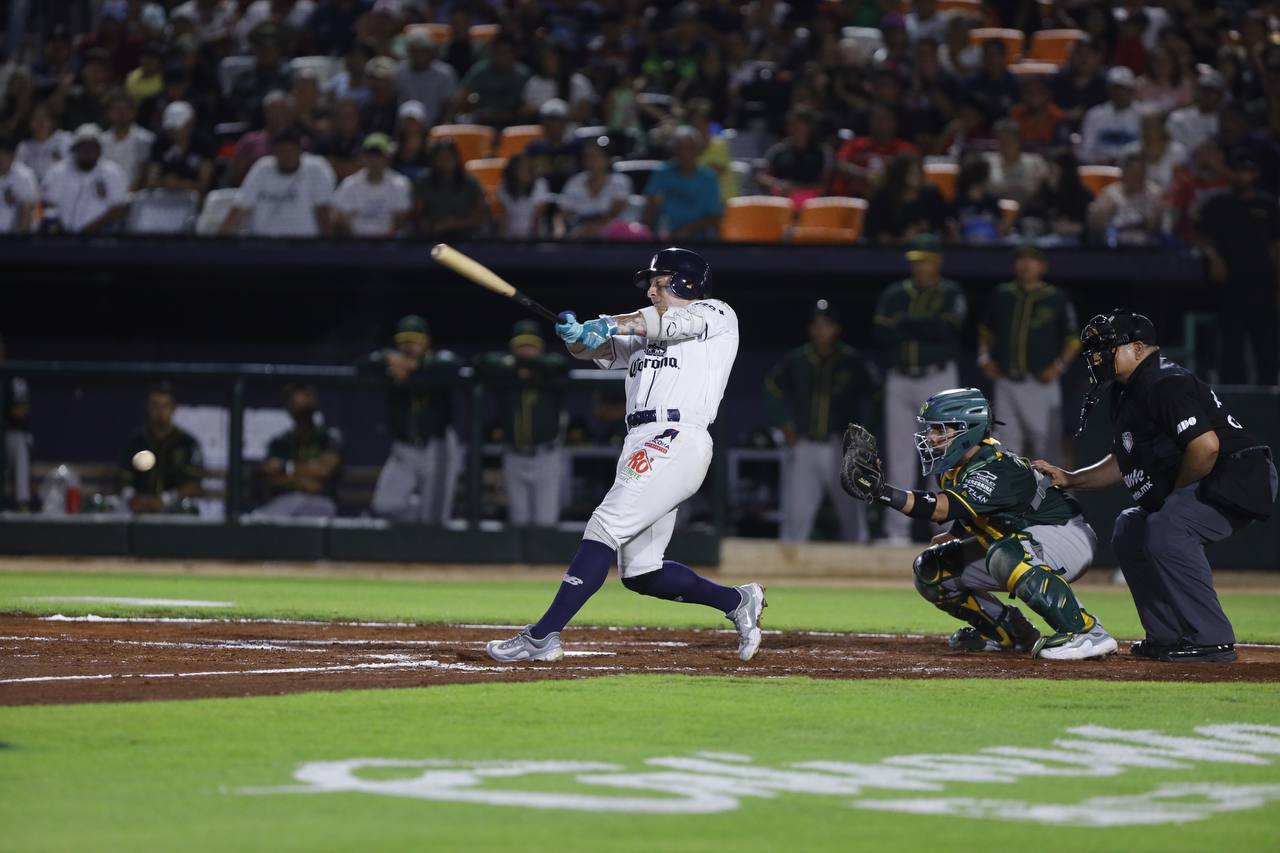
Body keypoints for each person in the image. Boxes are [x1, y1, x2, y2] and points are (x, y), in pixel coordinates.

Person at [486, 248, 766, 663]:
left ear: (687, 282)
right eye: (650, 283)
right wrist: (576, 336)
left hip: (676, 437)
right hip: (641, 439)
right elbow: (594, 350)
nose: (651, 290)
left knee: (603, 526)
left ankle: (542, 636)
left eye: (659, 282)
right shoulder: (645, 326)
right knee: (641, 573)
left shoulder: (716, 313)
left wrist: (606, 322)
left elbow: (663, 323)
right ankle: (736, 600)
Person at [1033, 311, 1277, 662]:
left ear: (1138, 348)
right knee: (1129, 527)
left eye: (1106, 348)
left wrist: (1175, 496)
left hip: (1241, 473)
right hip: (1216, 475)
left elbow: (1206, 447)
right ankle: (1167, 634)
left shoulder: (1164, 381)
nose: (1098, 357)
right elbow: (1124, 458)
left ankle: (1212, 640)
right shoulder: (1126, 390)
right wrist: (1072, 478)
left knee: (1167, 524)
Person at [839, 388, 1118, 660]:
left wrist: (882, 491)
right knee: (931, 569)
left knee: (1004, 555)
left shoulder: (995, 466)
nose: (931, 437)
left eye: (940, 429)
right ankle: (1009, 632)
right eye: (931, 429)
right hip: (1021, 537)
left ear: (968, 430)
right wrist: (956, 534)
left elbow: (941, 508)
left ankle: (1086, 631)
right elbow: (980, 511)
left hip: (1066, 535)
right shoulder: (956, 466)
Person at [872, 234, 966, 543]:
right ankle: (896, 532)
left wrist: (906, 324)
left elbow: (948, 329)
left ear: (937, 262)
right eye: (916, 260)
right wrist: (925, 325)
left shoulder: (950, 292)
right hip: (899, 379)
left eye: (926, 260)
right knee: (899, 456)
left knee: (942, 455)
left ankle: (944, 531)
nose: (921, 266)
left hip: (937, 379)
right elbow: (881, 333)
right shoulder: (895, 293)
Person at [765, 299, 879, 543]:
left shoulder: (852, 361)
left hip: (842, 447)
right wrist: (784, 423)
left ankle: (861, 562)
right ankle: (787, 565)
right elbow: (771, 389)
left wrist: (865, 436)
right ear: (810, 328)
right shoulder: (798, 359)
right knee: (796, 517)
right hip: (805, 445)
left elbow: (878, 396)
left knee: (853, 517)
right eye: (816, 325)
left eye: (826, 325)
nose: (821, 330)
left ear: (836, 328)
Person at [978, 245, 1080, 462]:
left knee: (1048, 446)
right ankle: (1008, 486)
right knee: (1004, 445)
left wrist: (1059, 365)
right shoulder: (1002, 294)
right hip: (1005, 381)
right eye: (1021, 259)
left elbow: (1073, 339)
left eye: (1031, 260)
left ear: (1042, 266)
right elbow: (986, 332)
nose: (1025, 265)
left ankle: (1054, 486)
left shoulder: (1055, 297)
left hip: (1039, 384)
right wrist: (984, 358)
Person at [361, 315, 463, 525]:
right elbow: (361, 365)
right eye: (404, 340)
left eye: (415, 340)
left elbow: (454, 365)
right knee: (384, 506)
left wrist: (414, 367)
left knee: (435, 519)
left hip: (437, 447)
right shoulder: (391, 364)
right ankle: (421, 513)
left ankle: (431, 529)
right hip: (404, 448)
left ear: (426, 342)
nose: (409, 346)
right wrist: (387, 359)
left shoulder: (438, 361)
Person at [474, 321, 570, 528]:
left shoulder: (550, 369)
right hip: (514, 455)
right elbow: (481, 364)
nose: (526, 351)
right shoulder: (505, 372)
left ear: (540, 348)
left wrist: (523, 366)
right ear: (513, 348)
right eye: (521, 346)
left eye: (531, 346)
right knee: (518, 521)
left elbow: (560, 364)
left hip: (546, 455)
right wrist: (516, 366)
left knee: (546, 522)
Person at [1197, 155, 1280, 385]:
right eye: (1237, 170)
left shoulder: (1268, 204)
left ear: (1255, 174)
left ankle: (1269, 395)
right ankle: (1233, 396)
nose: (1241, 176)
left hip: (1262, 283)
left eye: (1246, 171)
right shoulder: (1217, 203)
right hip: (1229, 283)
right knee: (1231, 344)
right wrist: (1214, 258)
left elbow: (1277, 245)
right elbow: (1201, 237)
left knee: (1266, 344)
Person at [221, 129, 335, 237]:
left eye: (291, 151)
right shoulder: (262, 168)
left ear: (300, 151)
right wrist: (220, 242)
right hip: (262, 244)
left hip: (305, 244)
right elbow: (240, 208)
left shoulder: (316, 168)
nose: (287, 157)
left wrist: (328, 245)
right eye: (282, 152)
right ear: (274, 152)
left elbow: (323, 212)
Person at [255, 384, 342, 518]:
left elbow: (324, 470)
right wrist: (302, 481)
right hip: (285, 501)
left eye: (306, 405)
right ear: (290, 409)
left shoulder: (328, 438)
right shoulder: (280, 442)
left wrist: (285, 468)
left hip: (320, 501)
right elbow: (270, 474)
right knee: (263, 517)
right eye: (296, 404)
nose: (302, 411)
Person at [117, 383, 205, 514]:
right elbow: (123, 478)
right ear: (148, 408)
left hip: (175, 508)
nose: (160, 412)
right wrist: (132, 498)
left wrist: (166, 499)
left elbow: (195, 486)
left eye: (165, 406)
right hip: (139, 509)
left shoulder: (187, 443)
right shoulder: (136, 442)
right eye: (155, 406)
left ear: (173, 409)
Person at [41, 124, 130, 235]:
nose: (88, 151)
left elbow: (120, 208)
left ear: (99, 150)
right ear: (75, 149)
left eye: (92, 147)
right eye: (83, 147)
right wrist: (58, 225)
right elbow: (48, 202)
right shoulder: (59, 171)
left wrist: (90, 229)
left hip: (101, 236)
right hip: (62, 235)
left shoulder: (112, 172)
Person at [642, 126, 723, 241]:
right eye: (679, 148)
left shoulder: (708, 177)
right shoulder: (662, 173)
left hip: (699, 242)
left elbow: (714, 217)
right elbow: (650, 206)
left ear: (697, 150)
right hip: (663, 239)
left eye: (689, 149)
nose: (684, 153)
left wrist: (687, 230)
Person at [332, 132, 413, 238]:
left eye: (378, 156)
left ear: (387, 158)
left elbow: (400, 217)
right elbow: (341, 216)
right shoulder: (350, 184)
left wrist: (386, 239)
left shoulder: (400, 184)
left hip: (390, 243)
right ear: (363, 158)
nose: (374, 160)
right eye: (370, 156)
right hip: (356, 243)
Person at [830, 105, 918, 198]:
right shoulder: (855, 144)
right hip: (852, 199)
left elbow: (913, 175)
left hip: (892, 200)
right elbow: (839, 165)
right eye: (875, 119)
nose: (878, 123)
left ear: (894, 122)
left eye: (883, 119)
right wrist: (865, 175)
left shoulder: (906, 149)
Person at [864, 153, 952, 244]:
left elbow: (943, 223)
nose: (916, 176)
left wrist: (923, 229)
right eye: (911, 172)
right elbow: (874, 232)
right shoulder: (883, 197)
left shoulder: (931, 194)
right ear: (900, 174)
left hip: (926, 247)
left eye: (918, 172)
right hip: (889, 249)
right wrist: (901, 240)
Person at [413, 138, 489, 241]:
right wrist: (428, 226)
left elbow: (480, 216)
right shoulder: (423, 183)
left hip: (467, 239)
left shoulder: (470, 183)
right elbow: (418, 215)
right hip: (432, 238)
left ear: (456, 158)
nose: (445, 161)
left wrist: (451, 225)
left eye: (448, 156)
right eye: (440, 157)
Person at [557, 137, 630, 239]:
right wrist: (560, 236)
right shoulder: (574, 182)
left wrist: (587, 231)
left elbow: (613, 216)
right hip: (578, 238)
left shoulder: (620, 182)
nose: (590, 161)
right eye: (587, 157)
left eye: (595, 157)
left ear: (607, 159)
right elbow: (562, 214)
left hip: (613, 239)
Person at [758, 107, 832, 207]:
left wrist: (797, 190)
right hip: (781, 204)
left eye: (798, 123)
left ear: (809, 126)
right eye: (791, 123)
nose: (793, 127)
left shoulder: (822, 152)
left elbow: (824, 185)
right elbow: (762, 177)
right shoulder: (778, 150)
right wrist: (777, 183)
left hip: (811, 206)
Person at [455, 33, 531, 128]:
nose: (500, 57)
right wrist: (470, 106)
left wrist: (506, 115)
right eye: (497, 52)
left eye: (504, 53)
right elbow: (462, 97)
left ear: (514, 54)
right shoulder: (479, 71)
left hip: (514, 124)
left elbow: (529, 107)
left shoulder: (524, 74)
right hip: (482, 123)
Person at [1086, 153, 1163, 246]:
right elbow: (1093, 223)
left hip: (1146, 246)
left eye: (1142, 174)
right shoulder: (1110, 193)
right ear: (1124, 174)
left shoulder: (1154, 193)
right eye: (1135, 174)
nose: (1139, 178)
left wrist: (1151, 222)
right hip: (1115, 245)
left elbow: (1158, 226)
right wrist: (1105, 215)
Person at [144, 100, 214, 195]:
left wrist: (181, 184)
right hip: (165, 198)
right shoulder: (160, 144)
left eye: (178, 127)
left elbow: (204, 185)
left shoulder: (203, 144)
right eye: (170, 128)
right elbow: (151, 181)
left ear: (190, 123)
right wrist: (164, 182)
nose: (174, 132)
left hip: (194, 198)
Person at [1077, 66, 1142, 165]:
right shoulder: (1095, 114)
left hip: (1132, 167)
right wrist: (1098, 161)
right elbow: (1084, 150)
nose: (1117, 92)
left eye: (1122, 88)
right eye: (1114, 88)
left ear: (1131, 90)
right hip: (1100, 167)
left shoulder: (1143, 114)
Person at [394, 30, 456, 127]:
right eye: (414, 50)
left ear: (430, 51)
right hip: (406, 127)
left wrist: (443, 127)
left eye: (422, 50)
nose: (418, 54)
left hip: (435, 126)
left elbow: (448, 104)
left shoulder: (444, 73)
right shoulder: (399, 72)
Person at [523, 98, 582, 194]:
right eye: (549, 121)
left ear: (565, 123)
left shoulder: (576, 149)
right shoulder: (533, 149)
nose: (553, 126)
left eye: (558, 121)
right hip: (540, 197)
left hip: (571, 197)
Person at [0, 335, 33, 510]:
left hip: (10, 433)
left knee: (19, 441)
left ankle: (22, 503)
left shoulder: (13, 378)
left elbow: (21, 411)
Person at [984, 119, 1050, 205]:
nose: (1005, 143)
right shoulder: (987, 161)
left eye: (1009, 139)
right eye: (1000, 139)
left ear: (1019, 141)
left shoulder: (1036, 161)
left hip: (1029, 208)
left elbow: (1044, 190)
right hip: (994, 208)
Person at [98, 88, 154, 190]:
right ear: (108, 113)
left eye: (125, 109)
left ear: (133, 112)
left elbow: (147, 172)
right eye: (116, 109)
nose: (121, 113)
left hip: (136, 194)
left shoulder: (145, 139)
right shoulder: (101, 141)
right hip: (108, 194)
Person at [1167, 70, 1226, 154]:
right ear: (1197, 91)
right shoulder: (1178, 118)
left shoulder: (1226, 121)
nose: (1207, 94)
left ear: (1221, 95)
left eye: (1212, 91)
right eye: (1204, 90)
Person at [494, 153, 551, 239]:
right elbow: (503, 219)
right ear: (513, 172)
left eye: (529, 169)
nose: (527, 173)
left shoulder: (540, 184)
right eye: (523, 169)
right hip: (511, 238)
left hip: (534, 238)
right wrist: (504, 241)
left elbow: (537, 218)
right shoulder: (503, 187)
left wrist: (535, 242)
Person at [15, 103, 71, 184]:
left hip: (61, 188)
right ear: (29, 123)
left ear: (52, 121)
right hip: (33, 189)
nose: (40, 122)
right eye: (36, 118)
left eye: (44, 117)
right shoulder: (23, 148)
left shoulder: (65, 140)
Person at [0, 136, 38, 234]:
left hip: (15, 236)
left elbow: (28, 210)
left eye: (4, 154)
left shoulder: (24, 176)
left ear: (13, 156)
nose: (0, 158)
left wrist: (19, 238)